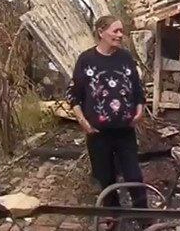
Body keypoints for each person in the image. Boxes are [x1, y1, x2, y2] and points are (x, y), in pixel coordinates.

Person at [66, 15, 148, 228]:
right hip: (97, 134)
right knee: (105, 177)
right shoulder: (86, 60)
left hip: (125, 132)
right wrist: (82, 121)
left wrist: (139, 110)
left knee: (134, 176)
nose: (120, 35)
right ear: (101, 32)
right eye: (115, 31)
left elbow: (138, 90)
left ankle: (145, 219)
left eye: (121, 31)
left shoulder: (126, 59)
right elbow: (74, 94)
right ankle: (114, 216)